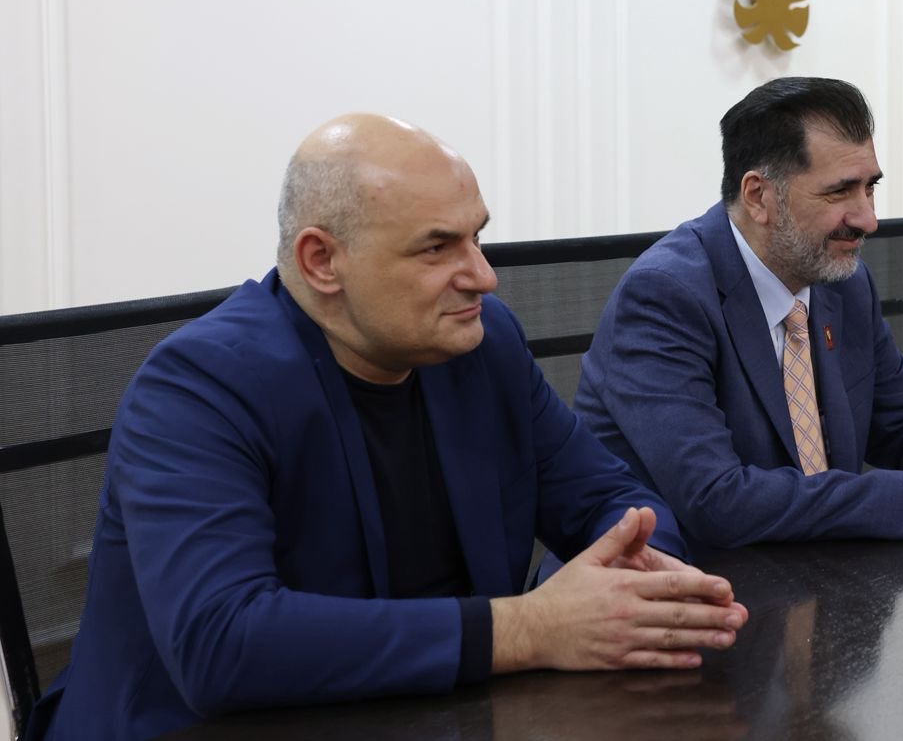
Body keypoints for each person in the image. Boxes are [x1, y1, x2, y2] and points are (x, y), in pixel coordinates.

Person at [33, 115, 748, 741]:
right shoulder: (199, 386)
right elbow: (223, 643)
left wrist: (639, 576)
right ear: (322, 261)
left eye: (477, 237)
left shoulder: (483, 344)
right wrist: (532, 627)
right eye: (437, 248)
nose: (484, 276)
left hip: (432, 713)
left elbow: (610, 500)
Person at [575, 77, 903, 549]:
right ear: (758, 196)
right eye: (839, 192)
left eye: (870, 188)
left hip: (821, 567)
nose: (868, 219)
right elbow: (716, 500)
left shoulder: (844, 281)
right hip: (684, 576)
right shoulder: (665, 296)